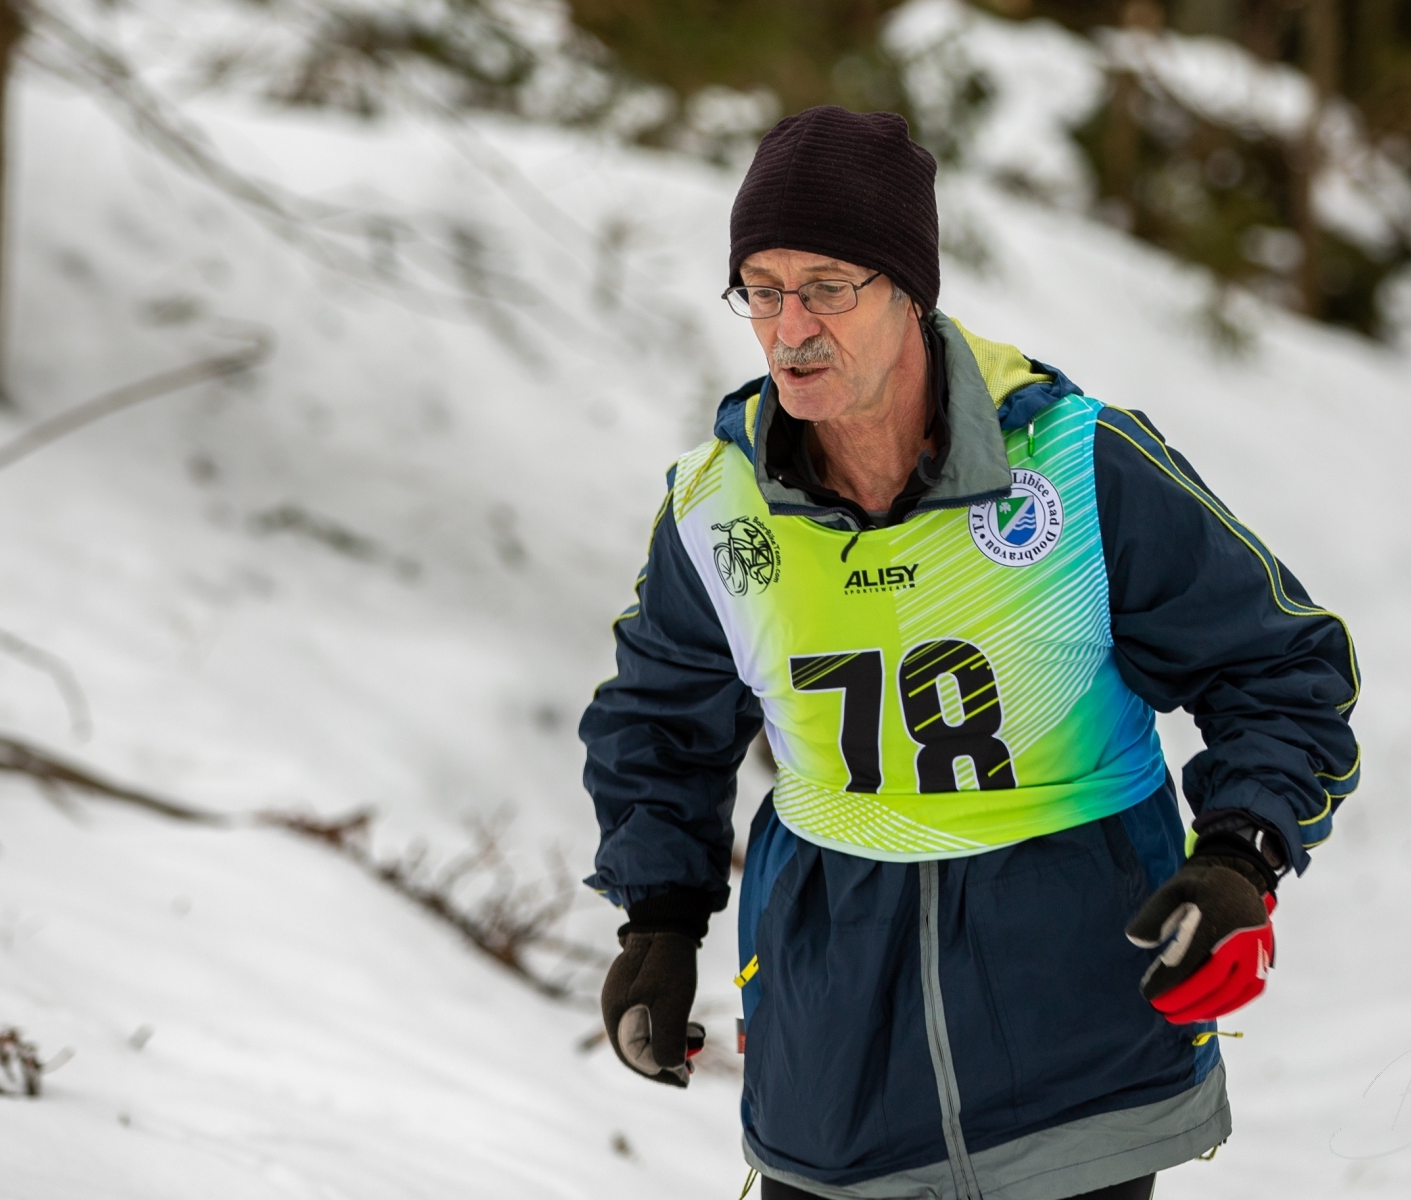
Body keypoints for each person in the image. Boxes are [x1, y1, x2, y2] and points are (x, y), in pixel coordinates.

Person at [581, 106, 1359, 1200]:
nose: (790, 327)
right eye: (761, 288)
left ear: (910, 290)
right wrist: (658, 921)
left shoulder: (1078, 466)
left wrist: (1240, 857)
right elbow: (659, 723)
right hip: (832, 1063)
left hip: (1076, 1042)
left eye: (828, 287)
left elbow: (1275, 666)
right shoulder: (718, 510)